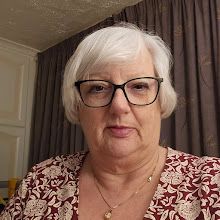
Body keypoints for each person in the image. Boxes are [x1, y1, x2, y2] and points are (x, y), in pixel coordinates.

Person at [1, 23, 220, 220]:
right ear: (78, 105)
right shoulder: (40, 179)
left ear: (161, 100)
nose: (119, 106)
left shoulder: (212, 183)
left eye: (139, 86)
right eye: (97, 88)